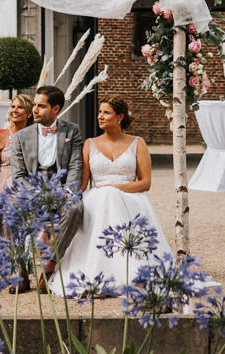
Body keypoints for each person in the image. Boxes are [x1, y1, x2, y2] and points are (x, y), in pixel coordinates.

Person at [51, 98, 172, 295]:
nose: (100, 116)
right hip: (98, 200)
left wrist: (114, 187)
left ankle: (132, 272)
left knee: (109, 194)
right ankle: (97, 273)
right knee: (106, 195)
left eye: (106, 113)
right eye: (99, 112)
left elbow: (145, 182)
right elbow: (82, 184)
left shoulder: (137, 143)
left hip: (131, 198)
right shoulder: (89, 144)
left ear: (120, 117)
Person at [7, 84, 84, 264]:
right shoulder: (21, 136)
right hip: (31, 191)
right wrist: (39, 195)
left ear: (55, 109)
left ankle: (52, 262)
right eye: (34, 105)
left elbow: (75, 166)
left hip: (62, 190)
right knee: (10, 207)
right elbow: (18, 174)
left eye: (41, 106)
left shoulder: (71, 130)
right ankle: (20, 268)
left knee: (74, 209)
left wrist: (65, 192)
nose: (34, 110)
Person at [0, 93, 33, 193]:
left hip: (30, 182)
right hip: (5, 185)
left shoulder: (36, 136)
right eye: (13, 107)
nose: (15, 110)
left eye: (20, 107)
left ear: (29, 114)